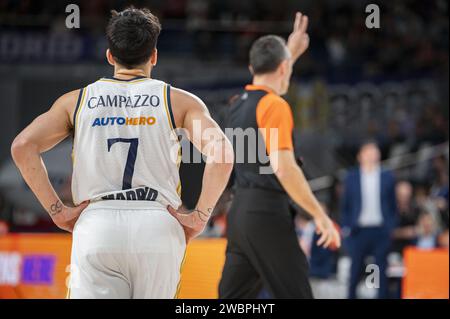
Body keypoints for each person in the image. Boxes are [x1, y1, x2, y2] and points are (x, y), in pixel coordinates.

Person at [11, 7, 233, 299]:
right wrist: (201, 216)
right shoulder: (178, 100)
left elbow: (22, 146)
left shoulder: (76, 101)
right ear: (154, 55)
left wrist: (58, 212)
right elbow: (223, 154)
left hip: (98, 223)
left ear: (109, 56)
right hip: (157, 224)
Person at [218, 12, 341, 299]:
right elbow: (284, 169)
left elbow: (269, 81)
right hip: (266, 212)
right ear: (284, 68)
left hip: (239, 214)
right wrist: (319, 215)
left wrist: (290, 53)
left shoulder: (236, 105)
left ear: (251, 67)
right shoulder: (275, 106)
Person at [341, 141, 397, 299]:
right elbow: (345, 205)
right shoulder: (351, 176)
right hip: (358, 230)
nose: (372, 155)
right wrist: (346, 227)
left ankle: (381, 296)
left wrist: (390, 227)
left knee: (380, 269)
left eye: (374, 151)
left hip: (380, 230)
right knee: (355, 269)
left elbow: (393, 205)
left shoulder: (387, 176)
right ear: (360, 156)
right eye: (368, 152)